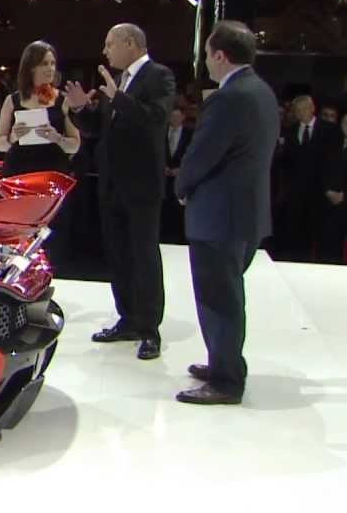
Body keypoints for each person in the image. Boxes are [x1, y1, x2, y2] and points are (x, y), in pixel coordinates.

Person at [174, 20, 279, 404]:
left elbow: (202, 153)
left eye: (207, 55)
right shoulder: (262, 92)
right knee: (227, 295)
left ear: (220, 55)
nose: (206, 62)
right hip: (244, 215)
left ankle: (227, 380)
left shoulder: (228, 97)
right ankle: (223, 363)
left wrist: (182, 186)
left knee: (219, 299)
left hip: (219, 216)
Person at [65, 23, 175, 360]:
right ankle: (127, 318)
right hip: (111, 182)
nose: (105, 50)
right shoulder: (118, 83)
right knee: (117, 254)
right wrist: (83, 108)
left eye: (110, 43)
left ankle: (149, 328)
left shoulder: (159, 76)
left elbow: (157, 118)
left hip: (142, 184)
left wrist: (119, 98)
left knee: (143, 255)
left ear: (130, 43)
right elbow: (100, 129)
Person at [0, 40, 80, 176]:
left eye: (52, 63)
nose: (51, 68)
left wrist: (57, 138)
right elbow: (0, 144)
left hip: (53, 172)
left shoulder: (64, 101)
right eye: (44, 64)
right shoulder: (12, 101)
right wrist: (13, 137)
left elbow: (75, 146)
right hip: (18, 172)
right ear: (30, 67)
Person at [276, 95, 341, 261]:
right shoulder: (290, 130)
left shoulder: (330, 130)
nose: (299, 113)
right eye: (296, 110)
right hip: (295, 194)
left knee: (318, 234)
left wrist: (330, 186)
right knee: (295, 234)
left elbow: (334, 162)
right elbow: (285, 162)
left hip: (319, 193)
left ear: (312, 109)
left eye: (303, 109)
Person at [322, 112, 347, 264]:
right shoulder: (332, 146)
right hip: (332, 206)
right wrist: (327, 190)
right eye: (345, 124)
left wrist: (345, 195)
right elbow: (322, 171)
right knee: (330, 248)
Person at [161, 107, 194, 243]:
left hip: (180, 179)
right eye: (172, 117)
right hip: (163, 179)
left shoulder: (190, 134)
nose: (174, 120)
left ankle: (179, 238)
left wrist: (181, 169)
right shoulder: (161, 133)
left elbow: (193, 154)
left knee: (179, 211)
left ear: (182, 118)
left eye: (177, 117)